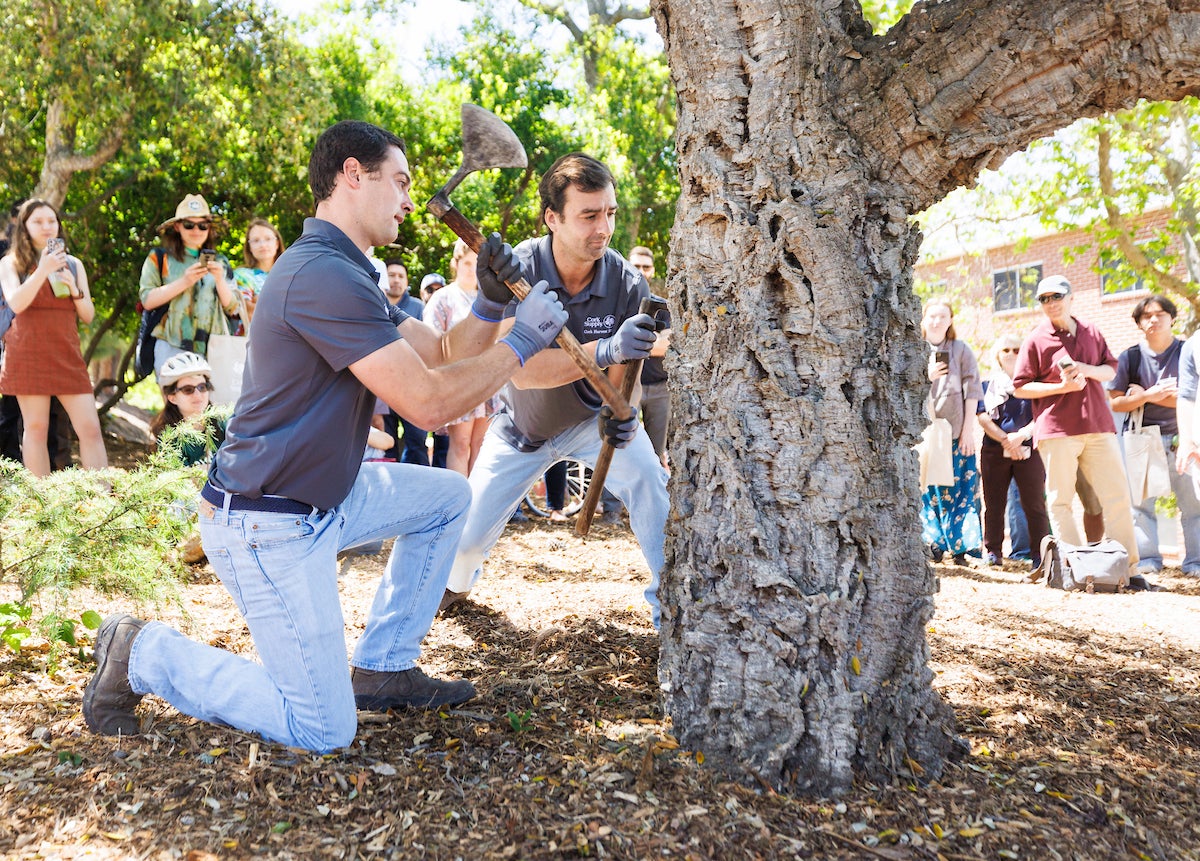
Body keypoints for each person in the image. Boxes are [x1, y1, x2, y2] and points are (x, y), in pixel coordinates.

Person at [82, 119, 568, 751]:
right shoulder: (321, 275)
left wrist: (492, 307)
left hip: (324, 498)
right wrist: (523, 344)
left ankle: (384, 665)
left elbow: (444, 351)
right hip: (267, 521)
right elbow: (426, 404)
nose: (409, 199)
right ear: (351, 175)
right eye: (399, 182)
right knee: (320, 727)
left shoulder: (349, 273)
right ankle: (139, 651)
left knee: (447, 498)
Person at [437, 152, 666, 625]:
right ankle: (454, 588)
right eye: (588, 216)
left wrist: (623, 412)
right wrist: (603, 351)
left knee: (651, 484)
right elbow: (517, 370)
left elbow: (627, 376)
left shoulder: (625, 280)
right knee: (467, 542)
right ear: (552, 219)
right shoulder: (516, 270)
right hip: (521, 427)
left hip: (589, 423)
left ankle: (675, 610)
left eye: (610, 213)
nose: (603, 228)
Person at [1011, 275, 1142, 584]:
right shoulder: (1036, 338)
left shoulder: (1091, 331)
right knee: (1060, 501)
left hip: (1098, 425)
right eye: (1043, 299)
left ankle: (1130, 570)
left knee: (1118, 497)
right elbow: (1020, 387)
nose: (1050, 303)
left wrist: (1084, 369)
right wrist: (1060, 386)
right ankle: (1072, 570)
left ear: (1071, 297)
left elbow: (1111, 369)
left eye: (1056, 296)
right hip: (1056, 430)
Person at [0, 199, 108, 476]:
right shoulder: (10, 264)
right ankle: (43, 506)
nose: (47, 227)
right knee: (35, 428)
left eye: (52, 220)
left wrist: (74, 290)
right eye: (38, 221)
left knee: (90, 428)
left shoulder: (73, 264)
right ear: (23, 226)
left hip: (65, 352)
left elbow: (88, 315)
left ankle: (102, 498)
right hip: (27, 351)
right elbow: (16, 303)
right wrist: (42, 271)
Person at [1109, 295, 1199, 574]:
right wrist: (1154, 395)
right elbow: (1115, 402)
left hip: (1184, 438)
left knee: (1194, 505)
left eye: (1160, 314)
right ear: (1138, 323)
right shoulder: (1131, 357)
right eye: (1146, 316)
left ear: (1173, 318)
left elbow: (1190, 398)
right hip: (1142, 437)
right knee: (1141, 507)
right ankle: (1148, 560)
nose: (1154, 320)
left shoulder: (1188, 351)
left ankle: (1195, 562)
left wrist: (1145, 396)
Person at [422, 239, 504, 476]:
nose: (472, 268)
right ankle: (460, 507)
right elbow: (431, 342)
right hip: (457, 379)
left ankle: (478, 505)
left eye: (477, 263)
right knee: (460, 444)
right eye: (467, 262)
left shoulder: (488, 297)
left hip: (487, 379)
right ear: (456, 264)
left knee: (481, 445)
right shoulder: (443, 298)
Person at [139, 194, 241, 378]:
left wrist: (219, 280)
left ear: (209, 228)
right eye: (189, 225)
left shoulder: (221, 262)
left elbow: (233, 308)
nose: (196, 230)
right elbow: (147, 299)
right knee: (175, 403)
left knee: (210, 405)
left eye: (203, 225)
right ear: (178, 226)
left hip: (212, 347)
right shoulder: (159, 257)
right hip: (171, 342)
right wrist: (184, 281)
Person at [976, 335, 1049, 568]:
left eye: (1017, 349)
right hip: (993, 450)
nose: (1011, 354)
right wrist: (1006, 440)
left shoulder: (1034, 384)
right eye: (1005, 349)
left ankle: (1041, 554)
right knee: (994, 504)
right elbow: (982, 416)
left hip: (1029, 450)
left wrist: (1020, 438)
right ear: (997, 355)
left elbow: (1043, 416)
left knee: (1034, 503)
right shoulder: (987, 386)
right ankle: (993, 552)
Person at [920, 298, 984, 565]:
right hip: (925, 433)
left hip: (957, 431)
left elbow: (973, 393)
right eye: (931, 316)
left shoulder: (961, 350)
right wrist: (927, 375)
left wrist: (968, 431)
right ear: (923, 319)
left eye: (942, 317)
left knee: (961, 489)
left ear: (950, 321)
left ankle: (961, 548)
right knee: (929, 489)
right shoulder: (913, 348)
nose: (936, 321)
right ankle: (932, 543)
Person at [381, 258, 431, 465]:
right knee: (387, 441)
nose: (396, 280)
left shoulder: (418, 307)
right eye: (391, 275)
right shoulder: (373, 303)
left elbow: (428, 344)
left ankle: (422, 490)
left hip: (412, 384)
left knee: (417, 439)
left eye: (401, 276)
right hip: (380, 384)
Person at [630, 245, 672, 472]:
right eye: (636, 266)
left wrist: (630, 341)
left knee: (656, 454)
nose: (641, 271)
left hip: (659, 388)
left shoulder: (663, 305)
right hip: (625, 387)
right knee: (620, 449)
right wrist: (655, 339)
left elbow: (667, 346)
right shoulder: (621, 303)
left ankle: (652, 507)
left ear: (653, 270)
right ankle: (612, 508)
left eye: (646, 267)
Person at [149, 352, 226, 468]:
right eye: (188, 389)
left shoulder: (224, 423)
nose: (197, 394)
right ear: (172, 397)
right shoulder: (168, 439)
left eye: (202, 387)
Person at [232, 218, 286, 332]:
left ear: (277, 243)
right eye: (256, 240)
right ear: (249, 247)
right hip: (251, 344)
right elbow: (250, 313)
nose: (263, 244)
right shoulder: (242, 275)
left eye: (268, 239)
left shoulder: (291, 276)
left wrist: (259, 300)